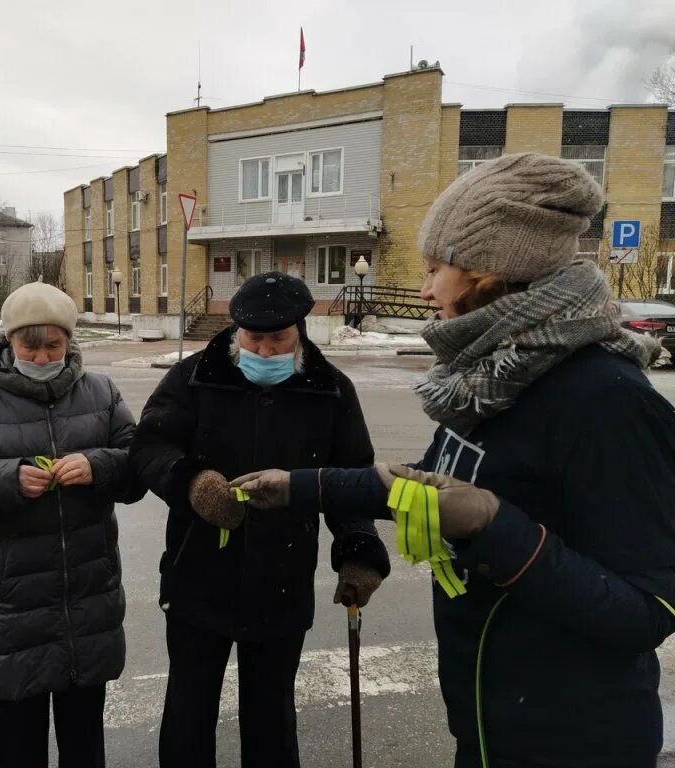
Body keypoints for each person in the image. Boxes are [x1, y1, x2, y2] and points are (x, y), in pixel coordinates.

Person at [233, 153, 675, 768]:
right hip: (489, 717)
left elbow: (647, 611)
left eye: (436, 268)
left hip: (573, 737)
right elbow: (424, 484)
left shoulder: (607, 399)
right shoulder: (497, 378)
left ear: (491, 273)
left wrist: (497, 527)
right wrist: (299, 487)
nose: (423, 288)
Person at [129, 272, 390, 768]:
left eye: (279, 340)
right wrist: (193, 484)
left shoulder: (330, 389)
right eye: (255, 339)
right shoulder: (192, 378)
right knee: (188, 712)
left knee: (272, 718)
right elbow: (148, 448)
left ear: (300, 333)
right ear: (236, 333)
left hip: (282, 581)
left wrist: (358, 548)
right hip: (196, 578)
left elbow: (351, 480)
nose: (266, 352)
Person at [0, 281, 142, 768]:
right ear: (8, 343)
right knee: (18, 748)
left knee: (85, 745)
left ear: (69, 342)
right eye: (29, 346)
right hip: (11, 607)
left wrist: (99, 466)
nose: (41, 358)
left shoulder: (101, 393)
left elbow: (140, 465)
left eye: (52, 346)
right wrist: (9, 479)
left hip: (88, 598)